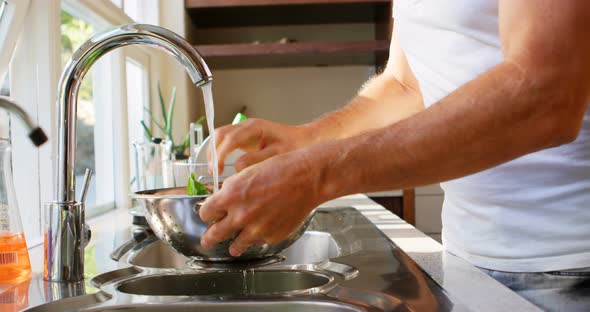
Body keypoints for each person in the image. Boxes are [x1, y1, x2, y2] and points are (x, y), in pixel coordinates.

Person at [199, 1, 590, 310]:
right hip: (469, 257)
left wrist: (316, 175)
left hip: (571, 265)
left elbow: (545, 93)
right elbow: (405, 85)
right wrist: (306, 140)